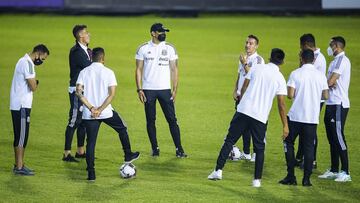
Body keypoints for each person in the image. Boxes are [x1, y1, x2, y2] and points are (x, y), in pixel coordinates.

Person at [208, 48, 288, 187]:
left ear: (269, 58)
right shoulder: (280, 78)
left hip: (244, 110)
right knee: (259, 149)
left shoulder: (257, 68)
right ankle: (256, 180)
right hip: (260, 116)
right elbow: (281, 104)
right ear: (282, 62)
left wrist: (242, 102)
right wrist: (285, 125)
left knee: (229, 140)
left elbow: (244, 86)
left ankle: (218, 171)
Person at [75, 47, 140, 181]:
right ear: (103, 59)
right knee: (122, 128)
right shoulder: (109, 72)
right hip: (106, 112)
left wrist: (92, 108)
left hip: (90, 113)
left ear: (92, 58)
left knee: (91, 143)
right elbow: (112, 95)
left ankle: (91, 174)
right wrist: (100, 109)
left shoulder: (84, 72)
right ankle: (128, 154)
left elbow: (78, 92)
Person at [135, 23, 187, 158]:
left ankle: (179, 149)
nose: (163, 34)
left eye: (164, 32)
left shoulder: (170, 48)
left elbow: (175, 69)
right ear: (153, 33)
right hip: (148, 90)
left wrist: (175, 90)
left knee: (172, 119)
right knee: (150, 120)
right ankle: (155, 148)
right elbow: (138, 69)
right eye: (160, 32)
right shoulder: (143, 48)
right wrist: (139, 89)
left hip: (165, 90)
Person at [279, 49, 329, 187]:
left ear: (301, 58)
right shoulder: (320, 76)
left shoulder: (296, 73)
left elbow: (290, 94)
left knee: (288, 143)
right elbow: (325, 96)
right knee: (308, 149)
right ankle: (306, 180)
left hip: (295, 116)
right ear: (313, 60)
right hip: (311, 118)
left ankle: (291, 176)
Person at [10, 44, 50, 175]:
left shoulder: (22, 61)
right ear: (38, 53)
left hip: (19, 105)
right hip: (22, 106)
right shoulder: (28, 63)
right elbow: (33, 86)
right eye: (42, 59)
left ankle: (19, 164)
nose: (41, 61)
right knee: (22, 137)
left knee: (20, 136)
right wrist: (36, 83)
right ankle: (19, 167)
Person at [318, 36, 351, 182]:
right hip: (331, 103)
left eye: (331, 44)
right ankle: (333, 169)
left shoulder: (342, 60)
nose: (329, 47)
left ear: (337, 46)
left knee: (338, 137)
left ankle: (345, 171)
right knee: (332, 138)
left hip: (339, 103)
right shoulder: (334, 61)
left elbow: (331, 81)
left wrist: (325, 84)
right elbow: (329, 82)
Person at [295, 33, 327, 169]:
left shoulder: (318, 59)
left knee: (310, 128)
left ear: (306, 45)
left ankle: (312, 160)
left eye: (301, 47)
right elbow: (301, 70)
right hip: (308, 98)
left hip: (315, 99)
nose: (301, 49)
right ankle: (300, 157)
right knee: (304, 127)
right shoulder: (311, 57)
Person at [233, 35, 264, 162]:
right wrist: (235, 90)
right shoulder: (243, 58)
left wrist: (244, 63)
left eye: (251, 43)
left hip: (251, 98)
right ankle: (246, 153)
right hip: (241, 97)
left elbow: (253, 76)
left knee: (253, 126)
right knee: (244, 127)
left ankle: (256, 153)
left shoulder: (258, 60)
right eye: (246, 42)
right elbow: (239, 75)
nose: (247, 45)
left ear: (256, 46)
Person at [63, 24, 92, 162]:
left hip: (85, 89)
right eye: (86, 33)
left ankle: (80, 151)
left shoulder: (87, 50)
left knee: (83, 121)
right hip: (76, 90)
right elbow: (90, 68)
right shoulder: (76, 52)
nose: (89, 35)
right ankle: (66, 153)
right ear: (80, 36)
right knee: (74, 120)